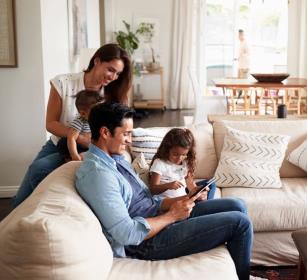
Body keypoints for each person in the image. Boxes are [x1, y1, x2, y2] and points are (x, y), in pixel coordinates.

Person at [75, 102, 253, 280]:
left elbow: (148, 200)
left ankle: (237, 270)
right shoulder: (98, 175)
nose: (130, 140)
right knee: (240, 223)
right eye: (126, 134)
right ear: (105, 132)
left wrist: (183, 199)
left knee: (237, 204)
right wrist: (172, 216)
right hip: (148, 240)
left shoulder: (116, 159)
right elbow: (126, 234)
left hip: (159, 215)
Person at [13, 43, 132, 208]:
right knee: (30, 180)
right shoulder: (63, 82)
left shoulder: (113, 94)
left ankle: (39, 210)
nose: (113, 77)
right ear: (96, 61)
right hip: (60, 143)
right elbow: (51, 123)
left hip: (94, 150)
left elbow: (119, 131)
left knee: (40, 169)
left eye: (118, 73)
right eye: (110, 69)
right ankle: (20, 217)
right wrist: (80, 138)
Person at [149, 128, 216, 199]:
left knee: (210, 184)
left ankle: (204, 203)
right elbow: (153, 189)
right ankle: (205, 206)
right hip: (171, 203)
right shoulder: (159, 163)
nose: (179, 159)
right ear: (167, 149)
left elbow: (191, 186)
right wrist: (168, 185)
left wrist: (197, 193)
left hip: (186, 199)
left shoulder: (185, 162)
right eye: (175, 154)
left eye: (184, 155)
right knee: (227, 204)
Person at [56, 89, 102, 161]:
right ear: (83, 113)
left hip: (88, 147)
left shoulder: (97, 121)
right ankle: (68, 159)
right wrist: (74, 155)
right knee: (64, 142)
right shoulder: (79, 122)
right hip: (76, 147)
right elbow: (71, 139)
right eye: (96, 112)